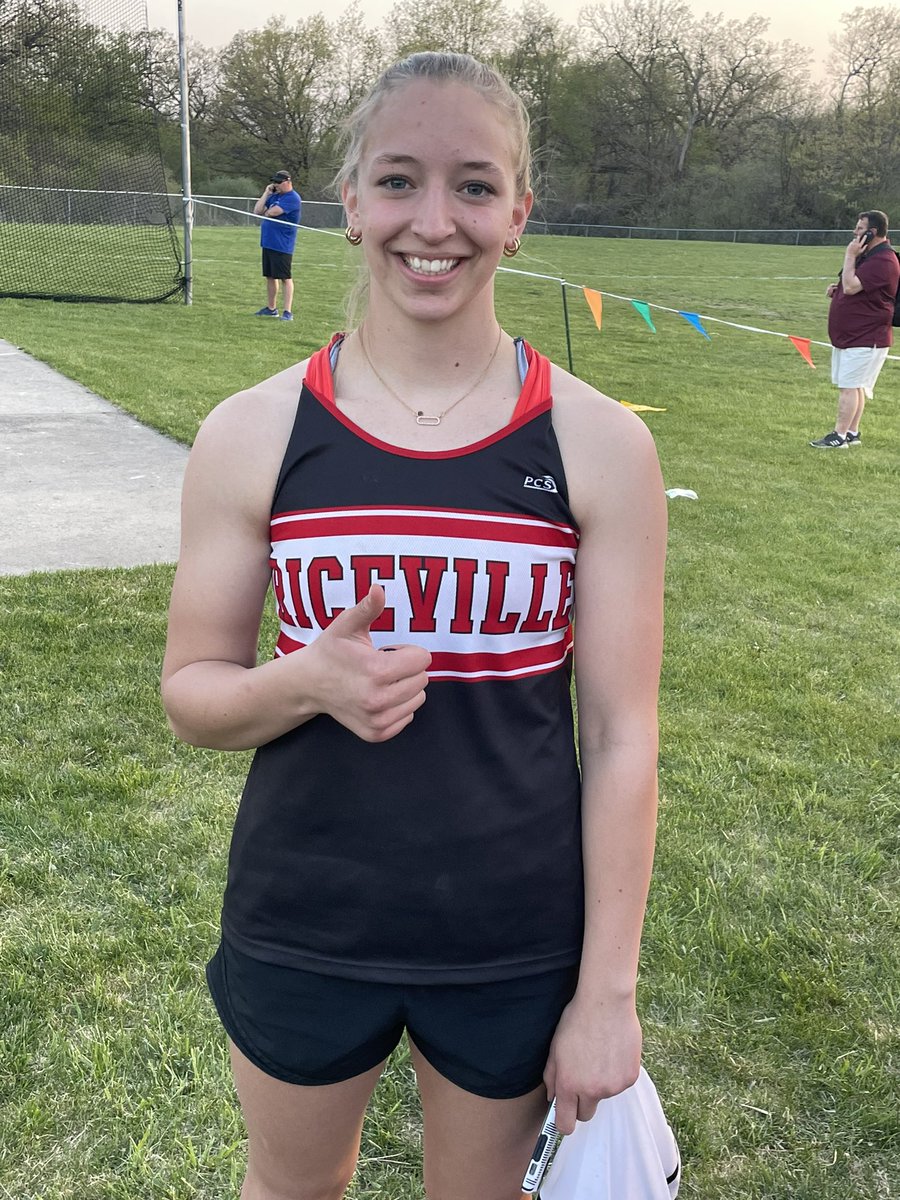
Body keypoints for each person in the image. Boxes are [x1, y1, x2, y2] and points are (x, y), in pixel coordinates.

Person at [162, 51, 666, 1200]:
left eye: (475, 186)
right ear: (351, 203)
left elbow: (625, 738)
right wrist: (305, 683)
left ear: (520, 214)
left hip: (512, 936)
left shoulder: (596, 445)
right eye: (398, 181)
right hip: (304, 917)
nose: (433, 222)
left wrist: (606, 994)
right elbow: (192, 688)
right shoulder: (253, 434)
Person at [810, 209, 899, 448]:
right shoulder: (870, 256)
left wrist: (849, 255)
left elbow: (851, 287)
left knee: (849, 387)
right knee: (855, 386)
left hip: (866, 336)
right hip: (854, 334)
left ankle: (838, 437)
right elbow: (851, 286)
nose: (854, 233)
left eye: (859, 229)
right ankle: (851, 432)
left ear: (873, 232)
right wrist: (836, 287)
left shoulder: (883, 259)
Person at [253, 170, 302, 322]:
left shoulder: (292, 198)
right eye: (274, 182)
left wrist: (267, 212)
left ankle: (287, 312)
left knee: (285, 278)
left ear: (288, 182)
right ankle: (271, 308)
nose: (276, 185)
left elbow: (273, 212)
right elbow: (258, 211)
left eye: (279, 182)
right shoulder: (274, 196)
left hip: (282, 244)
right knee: (270, 276)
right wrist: (266, 193)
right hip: (268, 242)